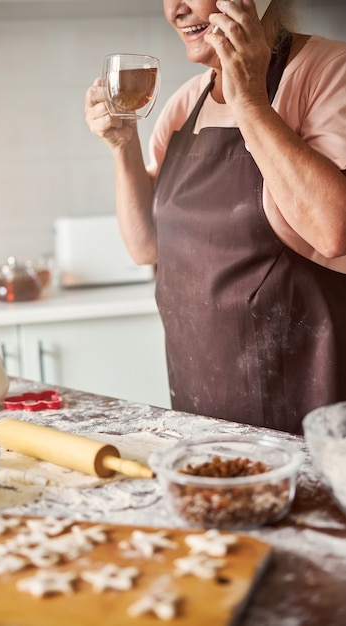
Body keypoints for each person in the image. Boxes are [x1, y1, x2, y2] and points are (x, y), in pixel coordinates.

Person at [85, 0, 346, 435]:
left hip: (307, 414)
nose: (177, 10)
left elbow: (334, 231)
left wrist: (252, 103)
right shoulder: (185, 102)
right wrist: (123, 146)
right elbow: (146, 246)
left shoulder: (330, 73)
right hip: (200, 413)